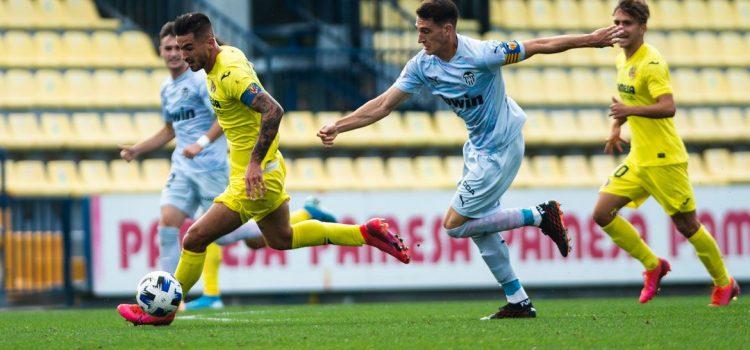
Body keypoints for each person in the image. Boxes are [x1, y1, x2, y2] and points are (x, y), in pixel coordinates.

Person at [317, 0, 622, 319]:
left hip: (502, 144)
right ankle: (518, 301)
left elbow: (540, 44)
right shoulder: (423, 65)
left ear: (448, 30)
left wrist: (591, 38)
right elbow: (382, 105)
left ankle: (538, 215)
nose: (420, 39)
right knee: (479, 227)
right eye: (418, 31)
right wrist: (338, 126)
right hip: (477, 148)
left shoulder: (483, 54)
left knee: (454, 225)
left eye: (426, 31)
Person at [117, 12, 410, 326]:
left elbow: (273, 110)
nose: (184, 56)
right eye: (179, 48)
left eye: (188, 48)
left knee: (194, 239)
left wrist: (254, 164)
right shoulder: (223, 59)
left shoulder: (229, 73)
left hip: (254, 177)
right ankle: (366, 232)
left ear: (208, 42)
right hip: (266, 170)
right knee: (281, 238)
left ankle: (161, 310)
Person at [119, 21, 338, 312]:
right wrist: (138, 149)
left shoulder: (204, 78)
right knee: (169, 227)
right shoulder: (166, 89)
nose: (175, 54)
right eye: (169, 48)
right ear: (159, 51)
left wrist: (202, 143)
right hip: (183, 168)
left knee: (236, 238)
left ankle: (304, 215)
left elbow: (224, 118)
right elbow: (170, 130)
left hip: (211, 166)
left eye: (180, 47)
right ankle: (171, 298)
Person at [593, 0, 739, 306]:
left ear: (642, 28)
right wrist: (617, 127)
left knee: (687, 225)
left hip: (664, 159)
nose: (620, 28)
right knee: (602, 213)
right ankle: (653, 265)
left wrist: (628, 110)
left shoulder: (652, 62)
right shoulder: (622, 59)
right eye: (616, 22)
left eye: (627, 24)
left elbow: (667, 106)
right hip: (639, 158)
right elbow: (628, 98)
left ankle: (724, 283)